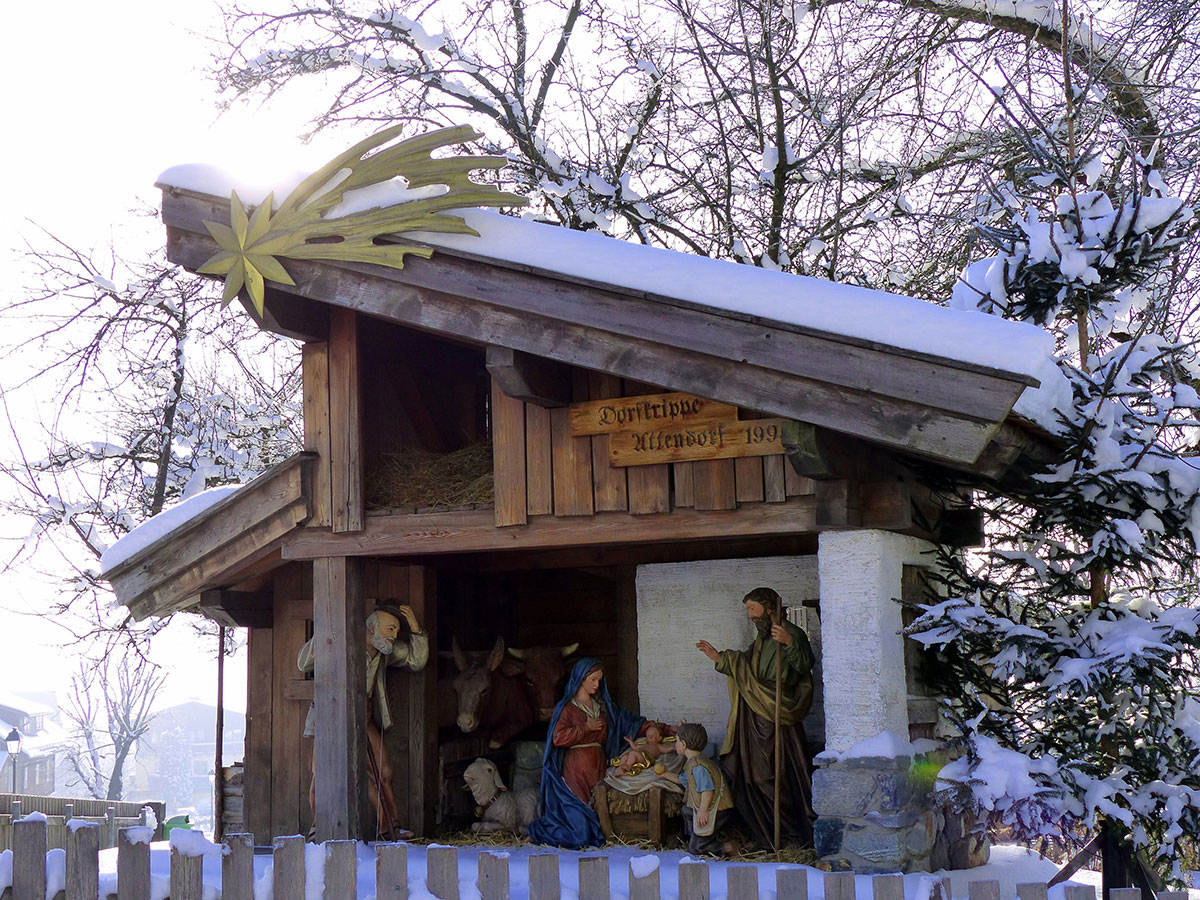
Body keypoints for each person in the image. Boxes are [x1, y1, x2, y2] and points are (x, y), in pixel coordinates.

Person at [297, 600, 429, 840]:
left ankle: (389, 827)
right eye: (390, 629)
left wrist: (415, 628)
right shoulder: (343, 639)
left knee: (382, 770)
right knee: (321, 773)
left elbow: (416, 660)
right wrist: (327, 629)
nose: (394, 635)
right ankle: (319, 827)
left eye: (397, 631)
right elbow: (303, 662)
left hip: (364, 717)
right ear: (371, 628)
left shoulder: (384, 650)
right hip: (331, 717)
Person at [696, 586, 816, 848]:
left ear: (769, 608)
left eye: (753, 609)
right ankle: (767, 835)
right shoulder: (760, 642)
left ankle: (791, 836)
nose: (750, 615)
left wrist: (790, 643)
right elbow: (744, 665)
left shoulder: (790, 634)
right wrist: (719, 657)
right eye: (748, 610)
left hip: (777, 719)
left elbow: (805, 664)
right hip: (754, 721)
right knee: (750, 778)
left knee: (776, 778)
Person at [526, 657, 649, 848]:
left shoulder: (603, 708)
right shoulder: (567, 708)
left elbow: (629, 723)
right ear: (581, 679)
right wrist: (586, 727)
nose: (597, 684)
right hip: (575, 773)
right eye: (593, 680)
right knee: (581, 832)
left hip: (598, 770)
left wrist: (660, 729)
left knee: (598, 822)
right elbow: (558, 738)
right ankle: (540, 832)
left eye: (599, 680)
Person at [666, 722, 734, 856]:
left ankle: (726, 848)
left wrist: (703, 810)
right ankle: (691, 837)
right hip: (703, 807)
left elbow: (707, 790)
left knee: (696, 849)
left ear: (684, 744)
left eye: (677, 741)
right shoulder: (693, 762)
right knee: (686, 810)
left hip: (716, 808)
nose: (675, 745)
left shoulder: (698, 767)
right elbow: (683, 780)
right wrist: (663, 775)